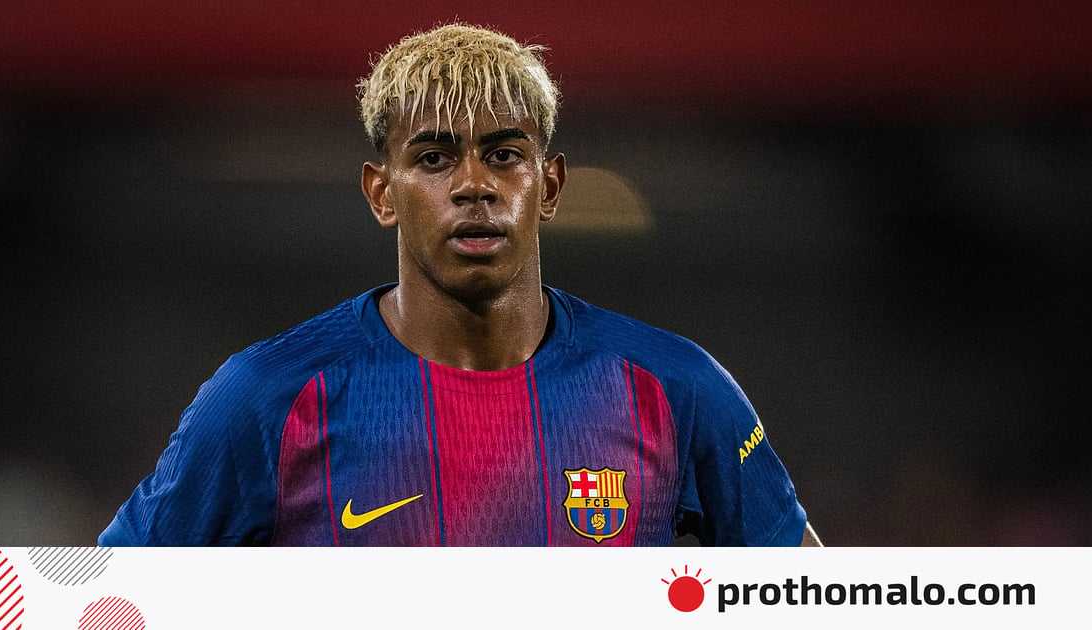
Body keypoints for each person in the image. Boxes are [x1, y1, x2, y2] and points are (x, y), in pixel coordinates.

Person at [99, 23, 820, 547]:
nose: (475, 184)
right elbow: (108, 603)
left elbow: (819, 601)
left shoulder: (675, 386)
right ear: (382, 193)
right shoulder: (266, 397)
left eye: (503, 155)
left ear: (550, 185)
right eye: (435, 159)